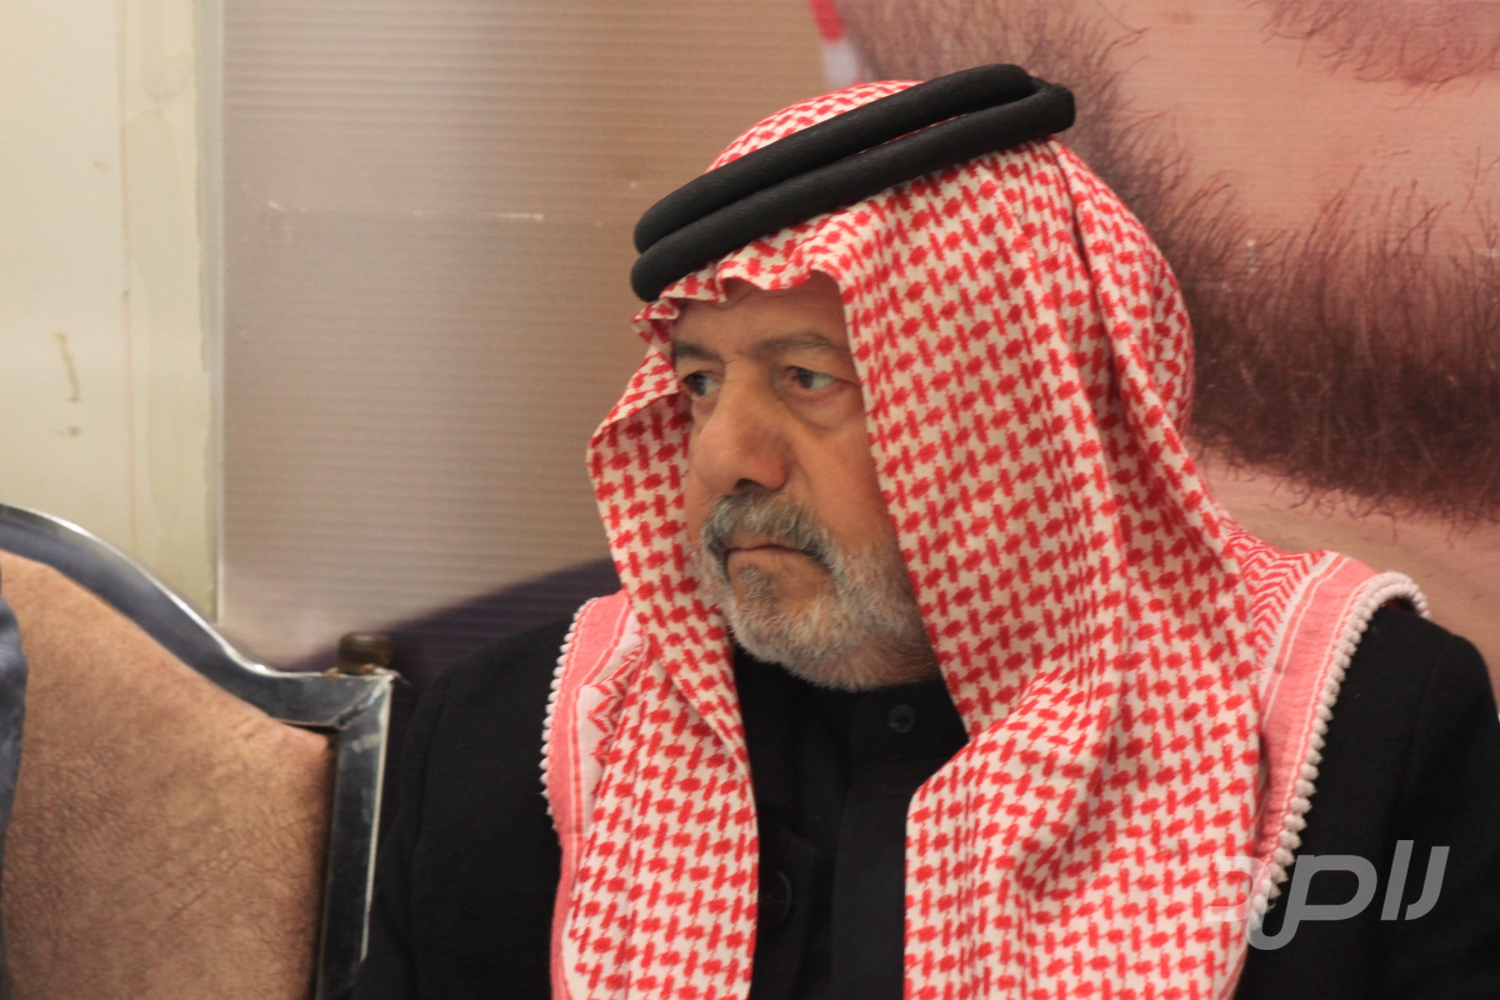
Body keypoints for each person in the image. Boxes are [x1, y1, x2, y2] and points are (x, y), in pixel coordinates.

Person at [352, 71, 1500, 1000]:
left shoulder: (1359, 730)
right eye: (698, 383)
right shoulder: (510, 742)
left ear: (1016, 420)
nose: (722, 457)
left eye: (806, 378)